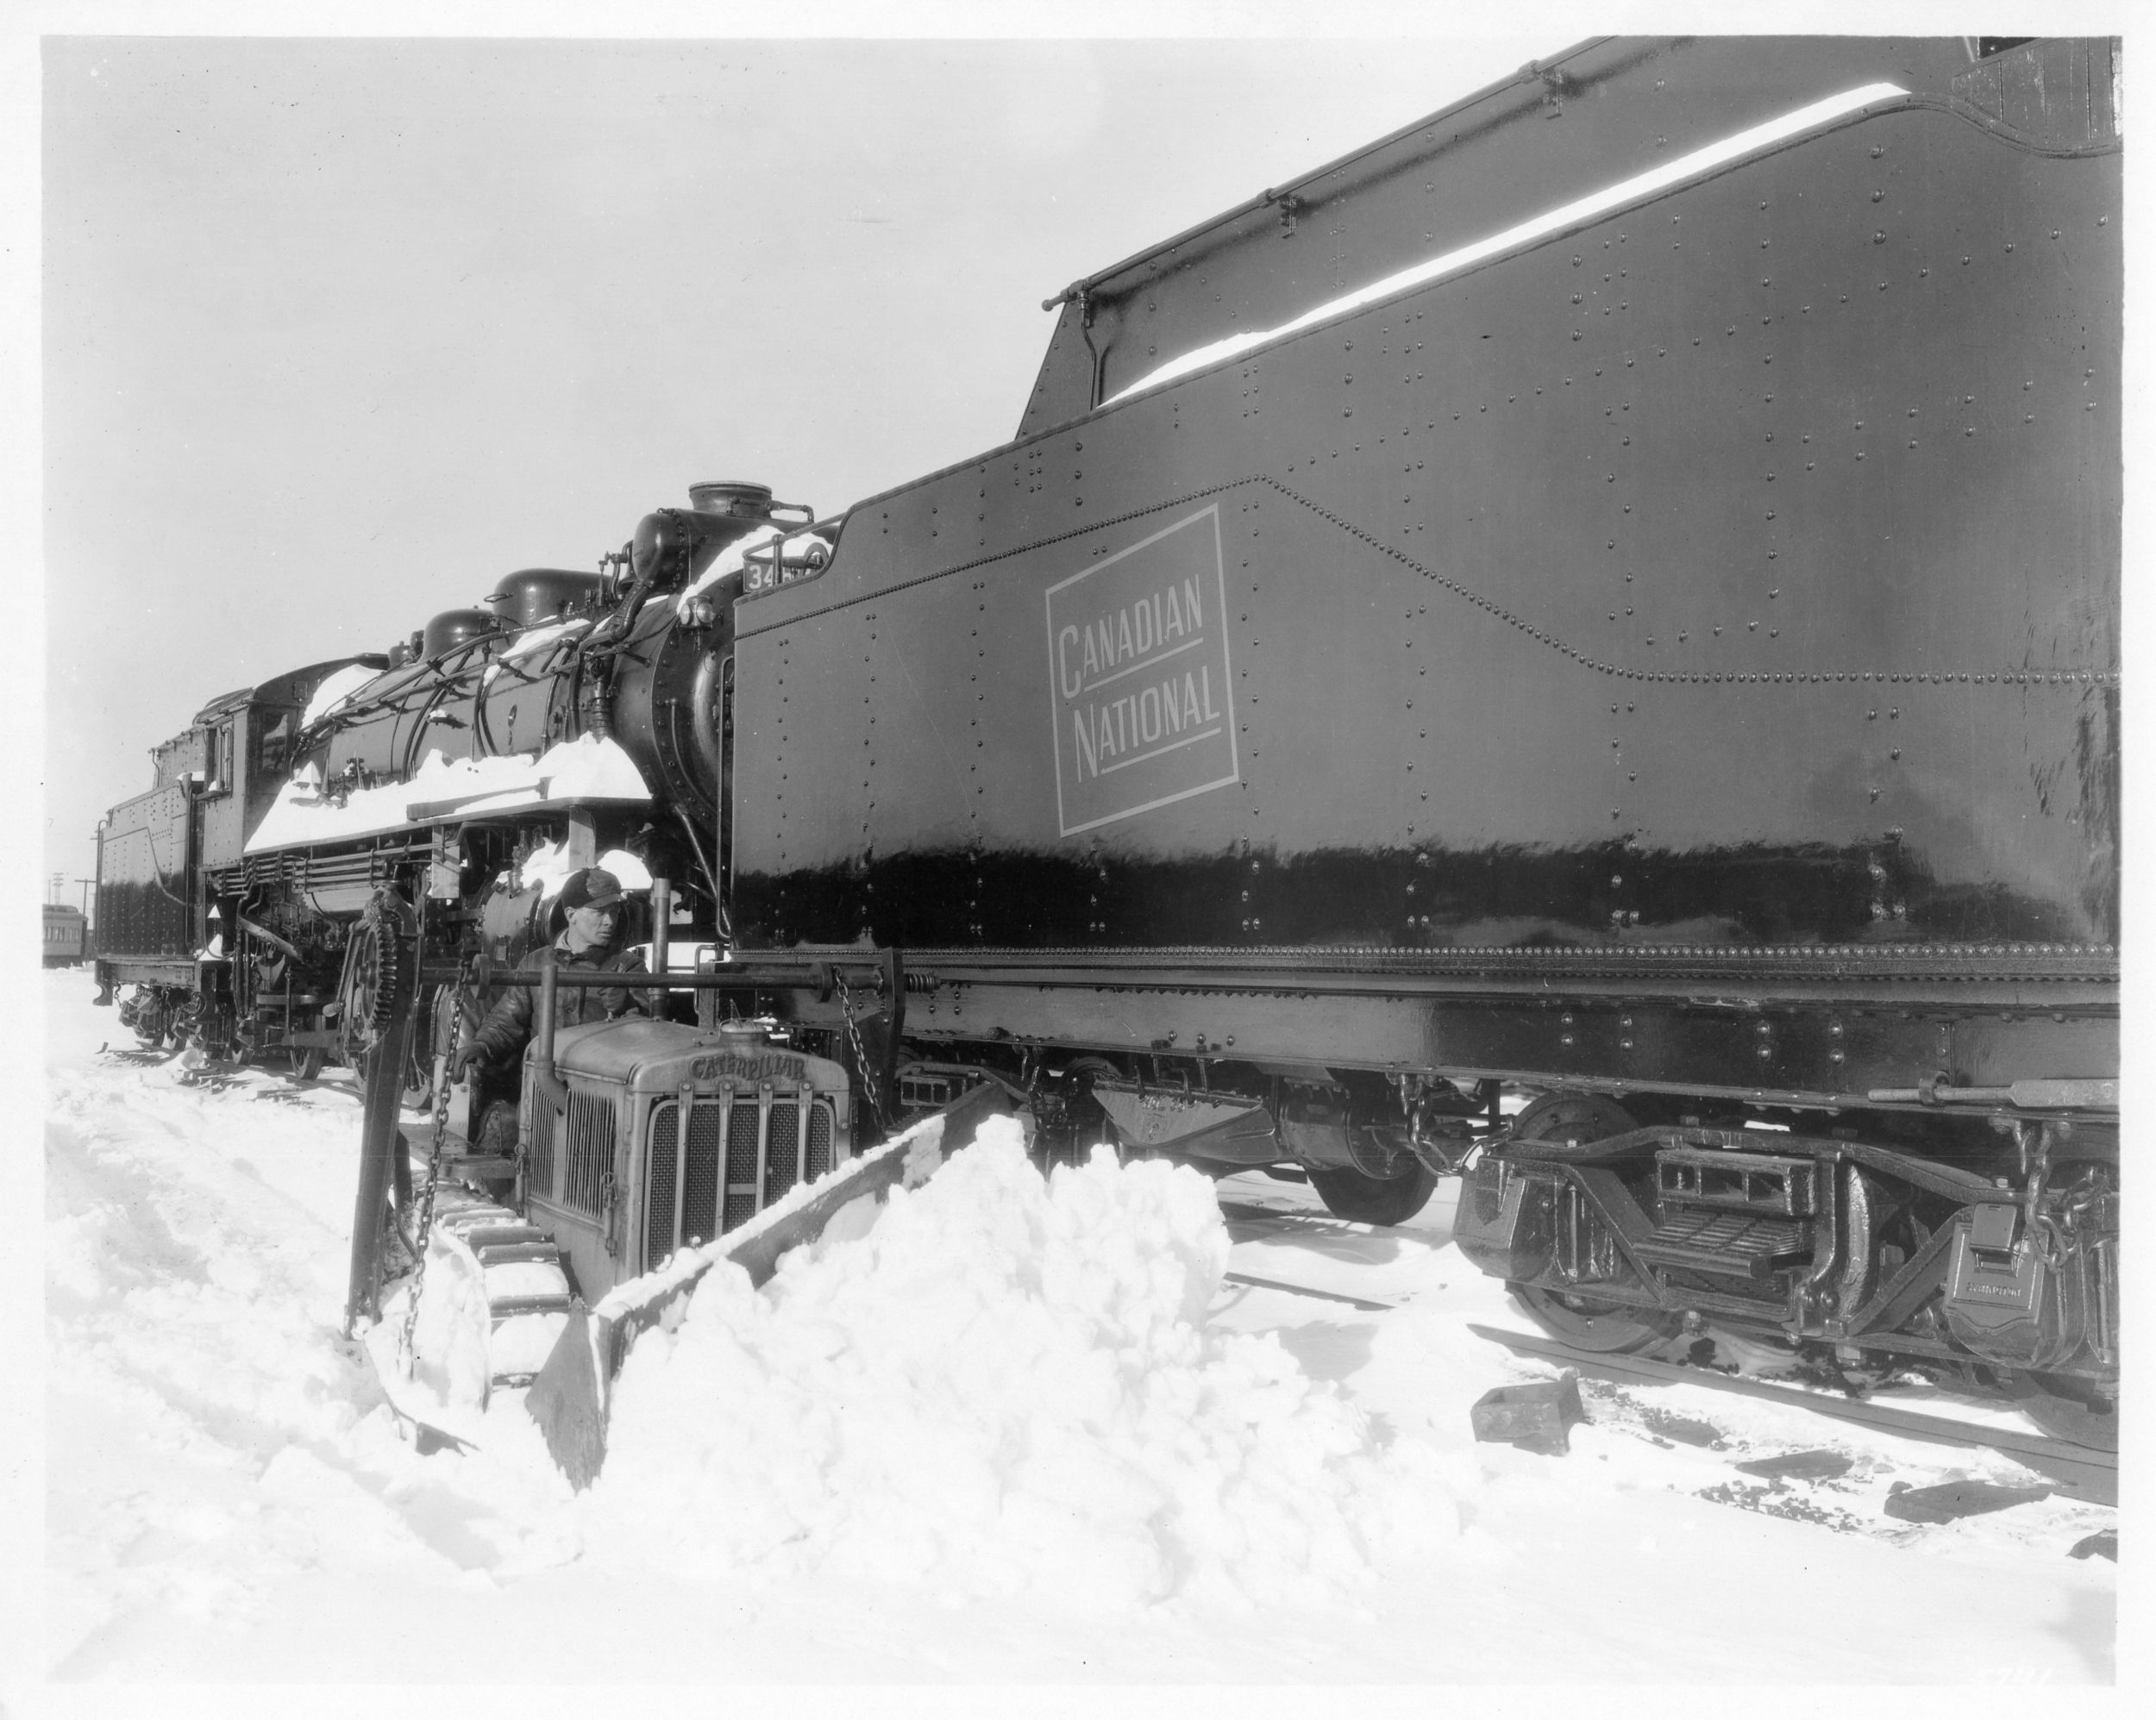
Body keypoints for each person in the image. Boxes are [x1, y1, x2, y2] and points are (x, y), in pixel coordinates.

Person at [454, 866, 647, 1082]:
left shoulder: (628, 967)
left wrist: (627, 1009)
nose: (610, 921)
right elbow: (505, 1023)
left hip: (598, 1091)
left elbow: (651, 1038)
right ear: (571, 915)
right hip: (538, 1088)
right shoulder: (535, 963)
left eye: (614, 912)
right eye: (599, 912)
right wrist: (481, 1046)